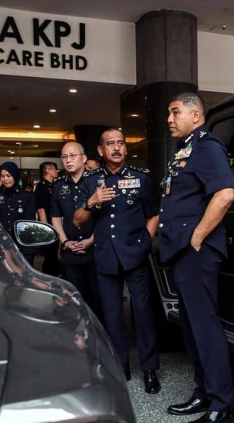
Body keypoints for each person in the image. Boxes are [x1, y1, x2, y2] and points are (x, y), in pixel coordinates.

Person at [159, 92, 234, 423]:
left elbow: (225, 194)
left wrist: (197, 237)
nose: (169, 119)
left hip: (197, 252)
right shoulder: (186, 149)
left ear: (196, 114)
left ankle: (223, 404)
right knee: (191, 328)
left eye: (175, 111)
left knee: (205, 328)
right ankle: (203, 393)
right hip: (182, 252)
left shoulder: (207, 147)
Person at [74, 128, 161, 394]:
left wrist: (145, 242)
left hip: (135, 254)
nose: (116, 148)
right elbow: (78, 219)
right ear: (100, 151)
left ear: (125, 148)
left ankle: (150, 369)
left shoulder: (140, 178)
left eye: (120, 143)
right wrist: (91, 202)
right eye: (110, 144)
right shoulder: (91, 182)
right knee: (112, 315)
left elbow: (154, 214)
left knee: (143, 312)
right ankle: (120, 366)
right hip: (105, 256)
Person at [50, 142, 103, 321]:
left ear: (84, 158)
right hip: (70, 250)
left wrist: (91, 241)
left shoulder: (97, 181)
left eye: (72, 156)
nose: (68, 160)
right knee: (74, 299)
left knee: (99, 299)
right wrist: (64, 242)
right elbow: (56, 218)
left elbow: (105, 217)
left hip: (95, 250)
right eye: (64, 157)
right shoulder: (57, 185)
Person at [0, 162, 37, 264]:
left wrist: (27, 249)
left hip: (23, 247)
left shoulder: (27, 196)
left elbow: (30, 223)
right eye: (2, 176)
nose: (5, 179)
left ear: (15, 175)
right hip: (2, 247)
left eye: (8, 176)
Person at [35, 161, 61, 277]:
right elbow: (41, 210)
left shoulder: (54, 186)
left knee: (57, 257)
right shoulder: (41, 187)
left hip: (57, 224)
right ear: (48, 171)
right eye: (55, 169)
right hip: (50, 226)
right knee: (50, 258)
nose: (57, 172)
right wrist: (46, 230)